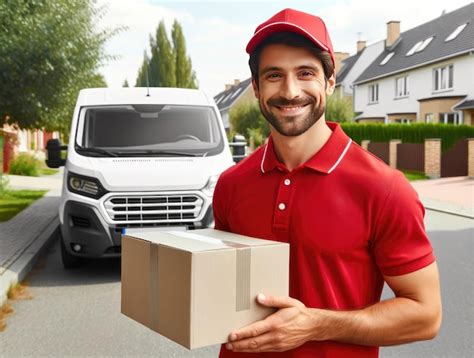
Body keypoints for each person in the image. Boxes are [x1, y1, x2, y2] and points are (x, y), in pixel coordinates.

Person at [212, 8, 442, 358]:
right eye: (274, 75)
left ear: (329, 83)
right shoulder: (232, 184)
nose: (290, 91)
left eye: (305, 73)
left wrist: (318, 325)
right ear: (256, 88)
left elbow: (426, 315)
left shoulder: (385, 189)